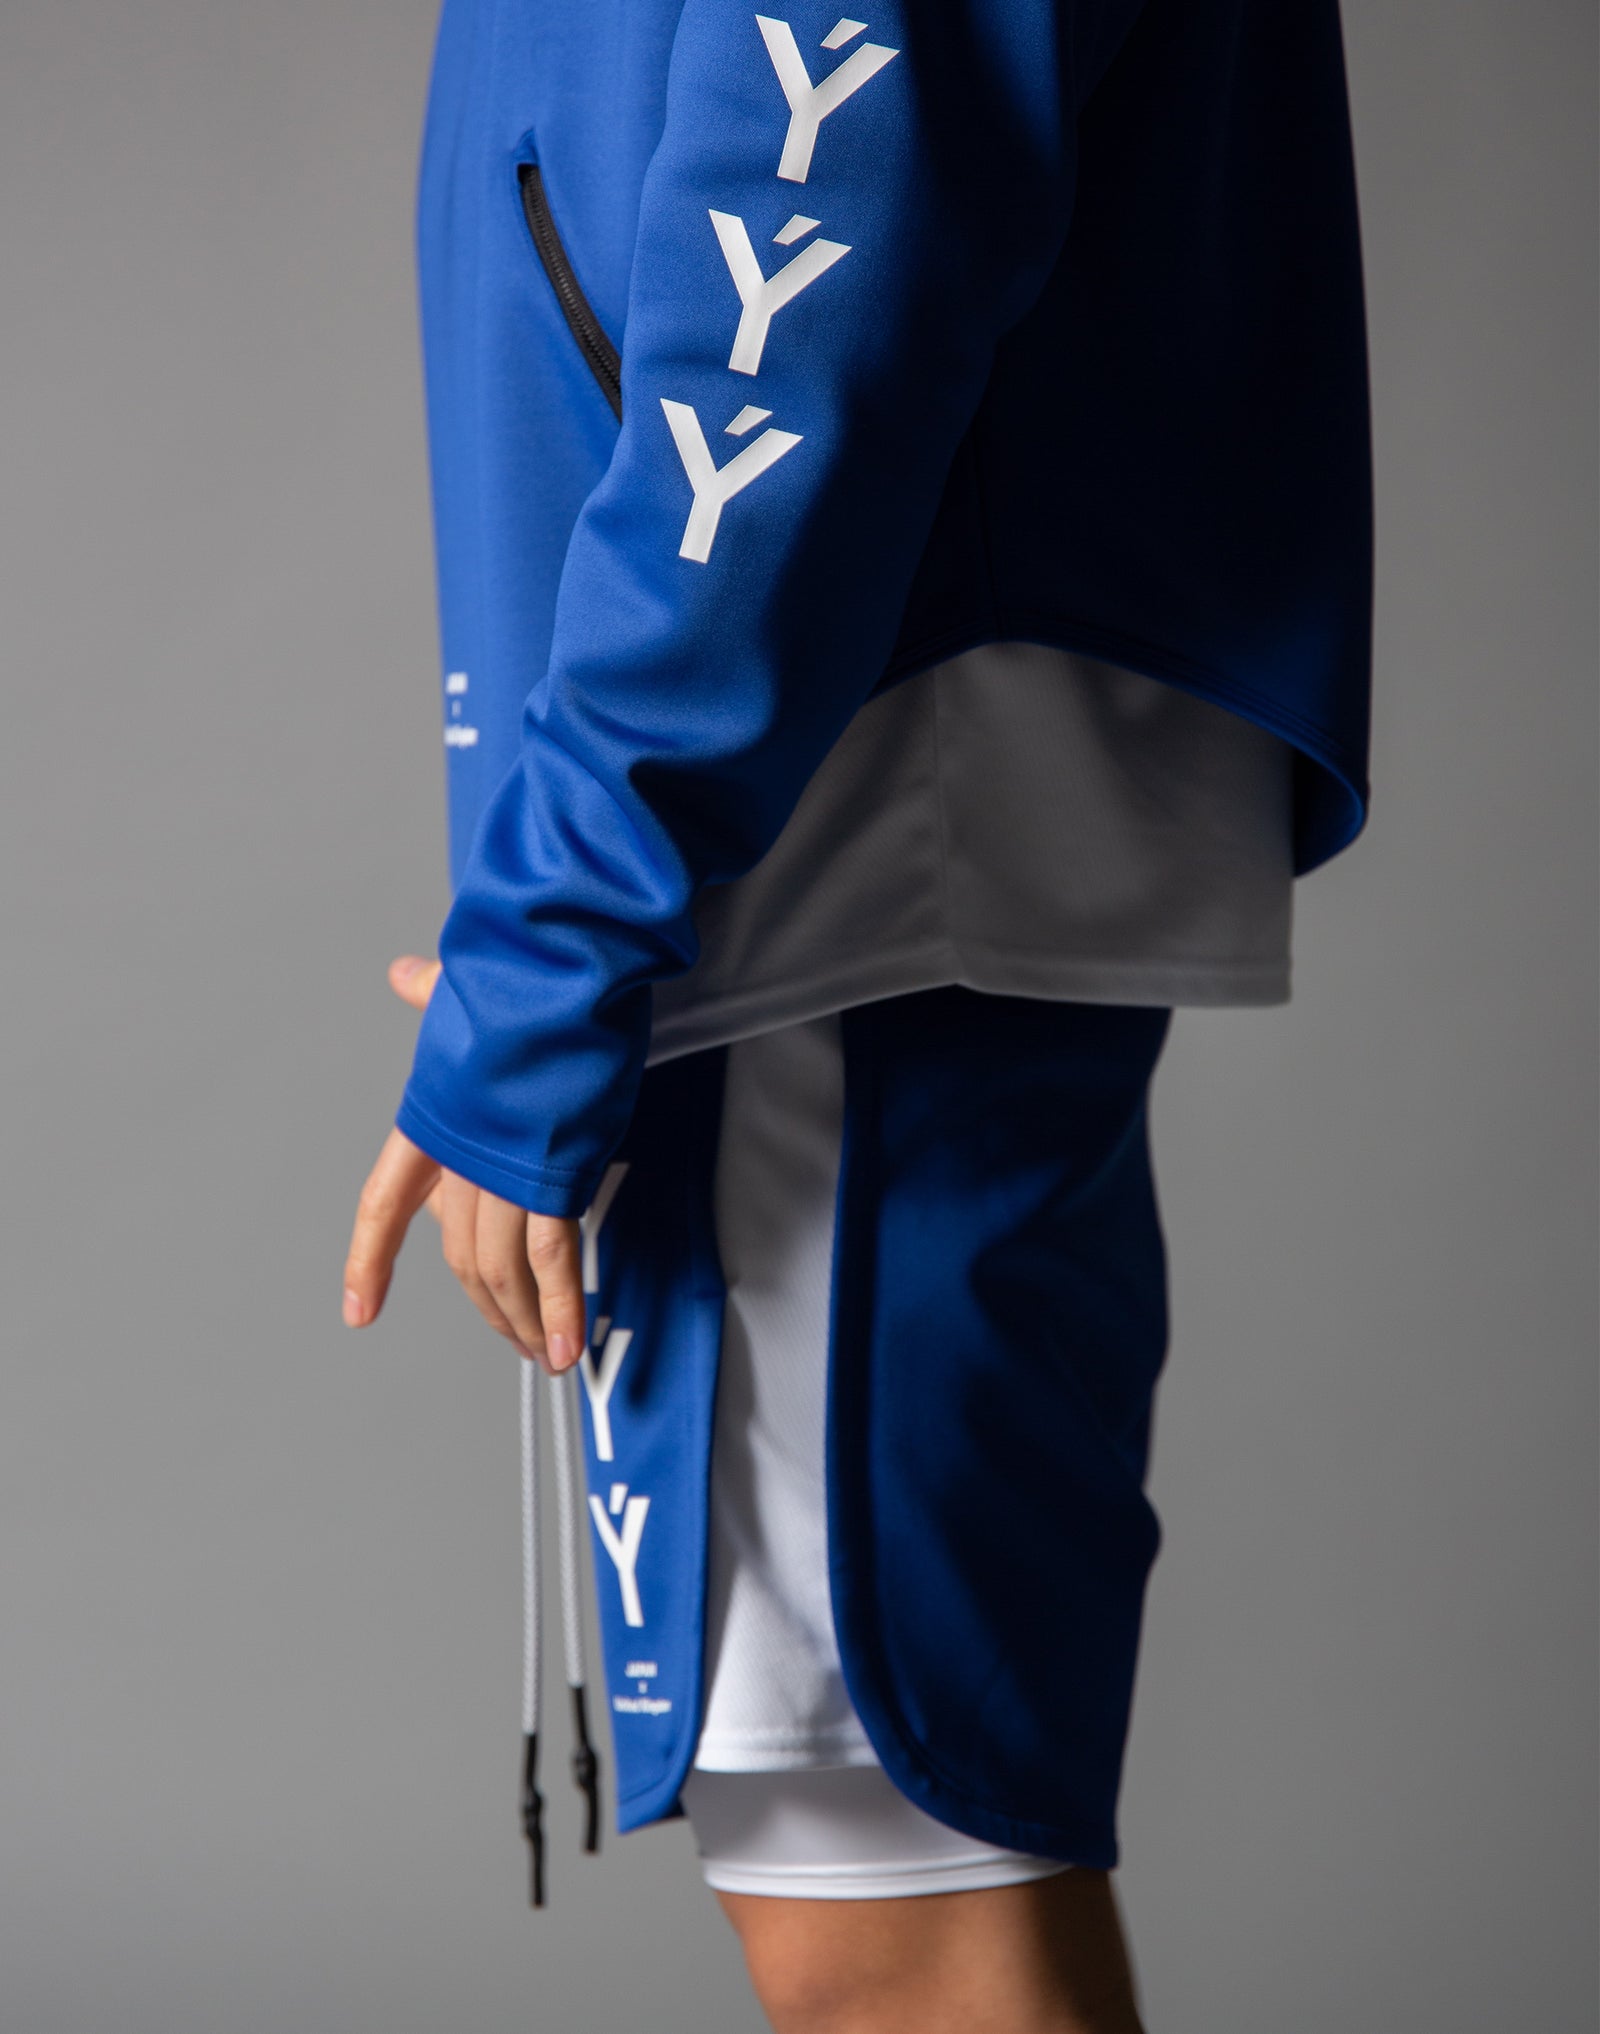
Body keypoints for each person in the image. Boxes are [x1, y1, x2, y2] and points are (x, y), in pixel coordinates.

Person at [342, 3, 1371, 2029]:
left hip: (847, 788)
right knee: (893, 1877)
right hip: (824, 762)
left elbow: (819, 221)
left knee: (891, 1912)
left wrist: (564, 918)